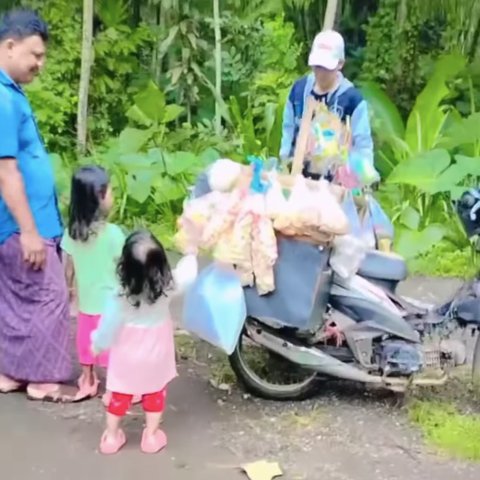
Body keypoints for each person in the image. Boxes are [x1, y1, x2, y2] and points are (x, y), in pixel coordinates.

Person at [0, 9, 79, 400]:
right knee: (49, 297)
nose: (40, 64)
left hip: (14, 223)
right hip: (22, 225)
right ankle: (44, 381)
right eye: (35, 55)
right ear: (10, 46)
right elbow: (6, 170)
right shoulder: (1, 97)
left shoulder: (9, 93)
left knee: (17, 299)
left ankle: (12, 373)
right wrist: (30, 231)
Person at [91, 230, 198, 455]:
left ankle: (111, 437)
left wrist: (97, 344)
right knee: (155, 393)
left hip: (126, 357)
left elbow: (107, 328)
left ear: (125, 266)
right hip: (156, 354)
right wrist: (191, 253)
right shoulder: (168, 288)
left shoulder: (120, 297)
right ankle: (150, 436)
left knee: (119, 395)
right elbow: (188, 275)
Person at [61, 166, 126, 401]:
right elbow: (124, 266)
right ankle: (116, 387)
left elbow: (67, 267)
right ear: (99, 196)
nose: (113, 196)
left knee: (86, 339)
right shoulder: (114, 234)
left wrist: (68, 292)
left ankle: (87, 380)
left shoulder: (72, 233)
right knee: (113, 343)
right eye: (110, 191)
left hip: (86, 302)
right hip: (111, 304)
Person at [280, 30, 374, 179]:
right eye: (317, 66)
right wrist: (285, 161)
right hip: (297, 176)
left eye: (326, 68)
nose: (321, 73)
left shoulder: (352, 100)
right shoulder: (299, 91)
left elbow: (363, 146)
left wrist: (362, 179)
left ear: (340, 64)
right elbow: (288, 129)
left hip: (335, 183)